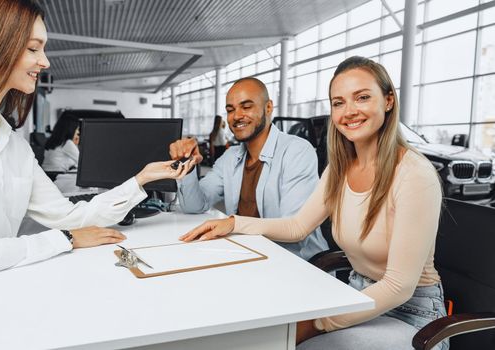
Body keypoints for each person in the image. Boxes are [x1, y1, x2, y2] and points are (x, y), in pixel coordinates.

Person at [180, 57, 449, 350]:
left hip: (411, 316)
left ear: (387, 101)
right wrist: (233, 223)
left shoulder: (414, 174)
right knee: (262, 330)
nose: (349, 111)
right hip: (355, 293)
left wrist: (319, 323)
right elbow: (297, 226)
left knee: (293, 345)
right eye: (338, 102)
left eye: (362, 97)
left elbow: (398, 287)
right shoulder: (341, 168)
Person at [0, 0, 192, 277]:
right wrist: (65, 239)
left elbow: (70, 216)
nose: (45, 61)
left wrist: (142, 179)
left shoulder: (15, 146)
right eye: (33, 48)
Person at [170, 77, 327, 261]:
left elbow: (294, 229)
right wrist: (187, 164)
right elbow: (194, 206)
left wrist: (233, 224)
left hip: (295, 263)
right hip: (247, 256)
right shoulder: (230, 157)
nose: (236, 116)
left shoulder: (296, 151)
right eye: (230, 110)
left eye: (246, 107)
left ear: (268, 108)